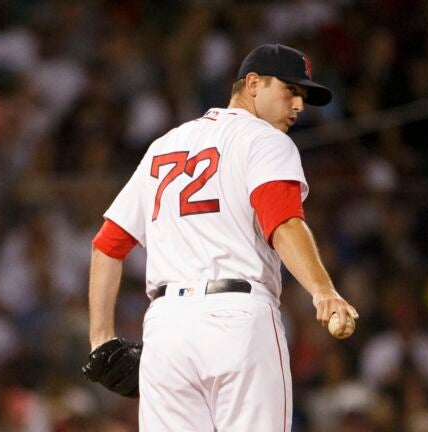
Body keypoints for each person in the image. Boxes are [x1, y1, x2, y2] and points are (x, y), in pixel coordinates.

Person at [87, 43, 360, 431]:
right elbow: (282, 221)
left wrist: (102, 341)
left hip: (166, 331)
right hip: (237, 321)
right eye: (290, 90)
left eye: (303, 96)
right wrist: (322, 290)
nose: (299, 105)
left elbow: (108, 245)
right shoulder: (264, 141)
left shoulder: (163, 147)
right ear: (252, 84)